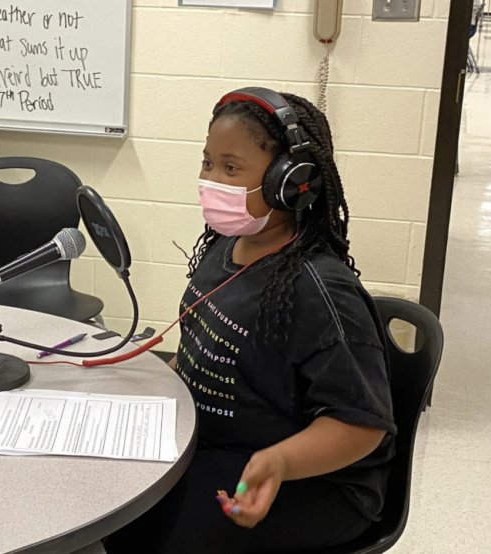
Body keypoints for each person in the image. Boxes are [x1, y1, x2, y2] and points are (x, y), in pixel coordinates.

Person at [104, 88, 396, 554]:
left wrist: (279, 462)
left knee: (139, 531)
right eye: (207, 163)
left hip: (310, 480)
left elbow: (362, 425)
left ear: (292, 181)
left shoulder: (320, 291)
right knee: (109, 498)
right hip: (220, 445)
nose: (212, 180)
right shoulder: (225, 247)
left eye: (231, 168)